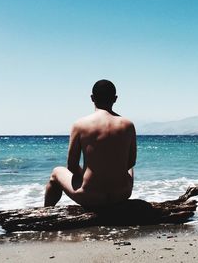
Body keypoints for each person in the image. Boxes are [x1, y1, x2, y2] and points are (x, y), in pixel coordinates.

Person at [44, 79, 136, 207]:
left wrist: (87, 176)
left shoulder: (80, 125)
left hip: (91, 196)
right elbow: (131, 162)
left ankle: (47, 212)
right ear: (115, 99)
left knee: (56, 172)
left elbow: (72, 165)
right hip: (121, 194)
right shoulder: (128, 125)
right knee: (130, 169)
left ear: (92, 98)